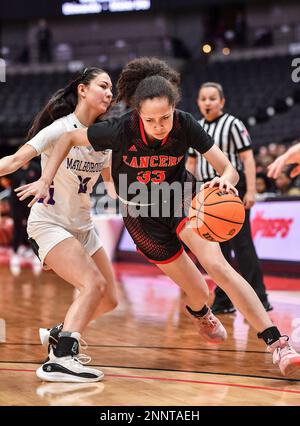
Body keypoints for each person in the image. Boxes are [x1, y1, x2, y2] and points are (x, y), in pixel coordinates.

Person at [17, 57, 300, 377]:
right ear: (138, 113)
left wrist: (226, 181)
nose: (159, 126)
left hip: (180, 198)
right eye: (151, 120)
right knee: (199, 292)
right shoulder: (120, 129)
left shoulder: (184, 123)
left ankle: (278, 344)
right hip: (141, 214)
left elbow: (228, 168)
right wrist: (45, 179)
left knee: (219, 267)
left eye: (164, 117)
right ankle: (199, 311)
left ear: (173, 109)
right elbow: (68, 138)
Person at [0, 67, 118, 382]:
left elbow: (110, 185)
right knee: (93, 285)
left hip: (83, 227)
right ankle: (62, 358)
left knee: (109, 299)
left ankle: (61, 333)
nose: (109, 93)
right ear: (82, 89)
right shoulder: (59, 129)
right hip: (50, 222)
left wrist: (142, 198)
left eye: (112, 89)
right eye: (103, 86)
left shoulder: (103, 137)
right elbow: (12, 162)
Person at [187, 82, 272, 314]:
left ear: (222, 102)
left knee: (242, 244)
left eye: (212, 98)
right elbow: (191, 163)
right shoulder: (196, 127)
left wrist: (251, 190)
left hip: (232, 189)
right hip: (206, 192)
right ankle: (224, 300)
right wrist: (189, 194)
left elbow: (247, 159)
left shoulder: (233, 124)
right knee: (217, 249)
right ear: (198, 102)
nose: (207, 102)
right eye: (203, 98)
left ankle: (259, 297)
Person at [0, 160, 41, 275]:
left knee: (31, 226)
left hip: (30, 202)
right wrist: (10, 185)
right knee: (17, 226)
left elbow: (42, 181)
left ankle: (31, 250)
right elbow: (4, 178)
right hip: (16, 202)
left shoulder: (35, 167)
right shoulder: (15, 166)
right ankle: (16, 251)